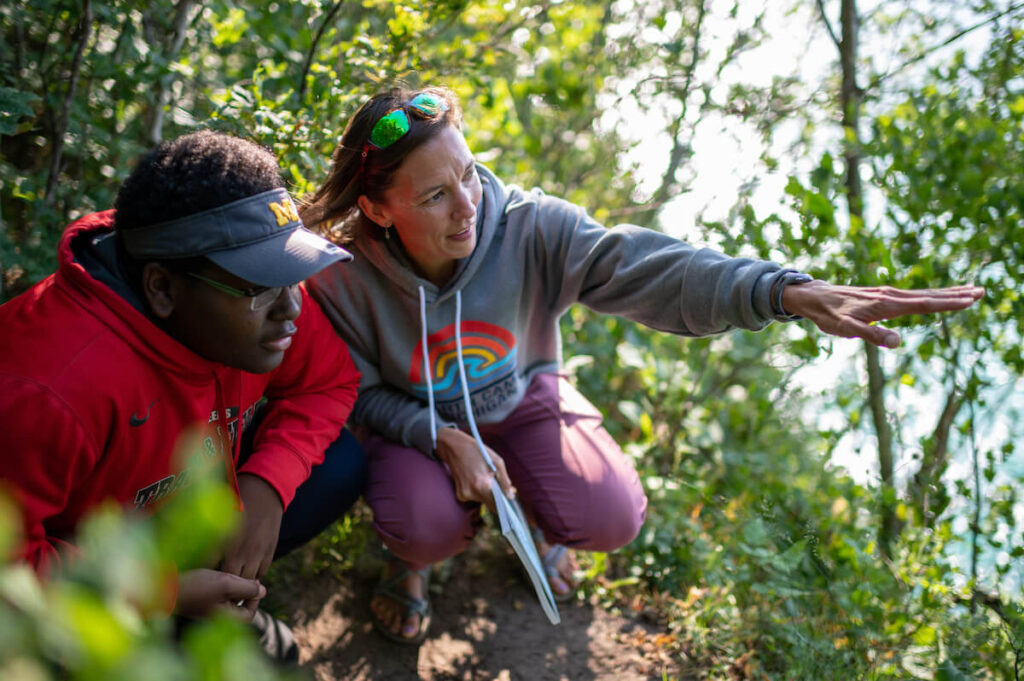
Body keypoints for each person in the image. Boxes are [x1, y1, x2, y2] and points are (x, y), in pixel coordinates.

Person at [299, 86, 984, 644]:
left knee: (612, 514)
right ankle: (409, 567)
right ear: (377, 209)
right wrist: (437, 436)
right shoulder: (343, 280)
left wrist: (783, 291)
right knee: (423, 522)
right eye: (434, 196)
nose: (467, 204)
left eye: (469, 174)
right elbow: (351, 390)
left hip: (524, 399)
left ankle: (533, 517)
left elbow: (656, 268)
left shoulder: (532, 228)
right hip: (421, 426)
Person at [0, 130, 366, 663]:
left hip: (179, 518)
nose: (292, 307)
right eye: (262, 285)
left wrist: (266, 486)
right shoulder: (47, 391)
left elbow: (330, 381)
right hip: (87, 577)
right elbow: (10, 575)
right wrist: (165, 592)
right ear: (162, 289)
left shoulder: (247, 296)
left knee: (341, 463)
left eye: (293, 273)